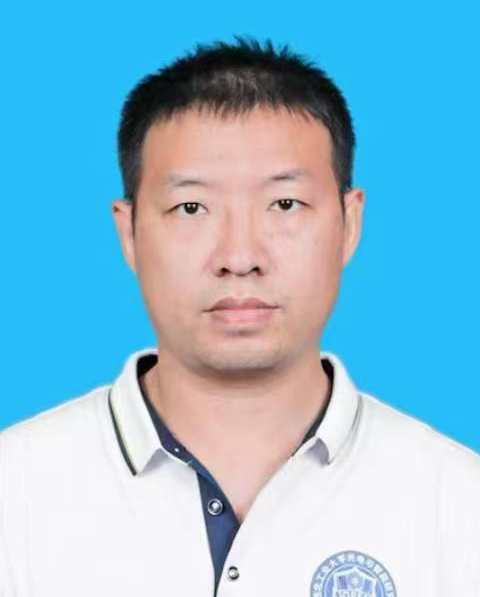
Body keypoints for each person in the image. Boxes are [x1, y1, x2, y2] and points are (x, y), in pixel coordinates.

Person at [1, 37, 479, 597]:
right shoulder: (16, 492)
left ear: (350, 224)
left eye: (285, 204)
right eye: (191, 208)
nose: (240, 256)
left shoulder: (458, 504)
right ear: (127, 232)